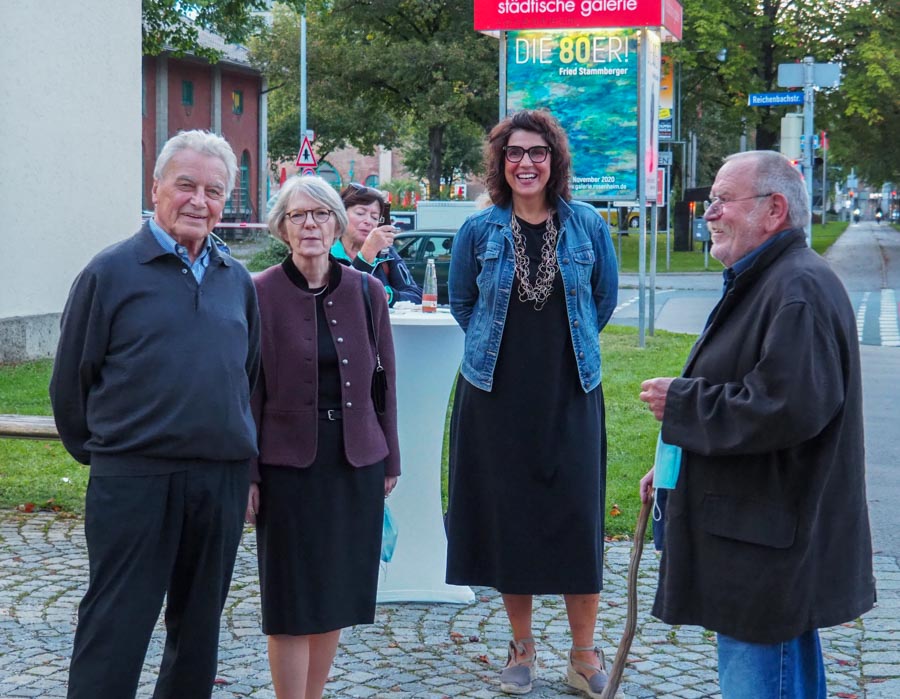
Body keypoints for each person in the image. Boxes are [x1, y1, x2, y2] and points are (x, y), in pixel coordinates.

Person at [638, 150, 876, 699]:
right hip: (761, 533)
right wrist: (675, 461)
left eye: (722, 200)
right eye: (710, 201)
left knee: (765, 675)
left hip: (768, 540)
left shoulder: (796, 288)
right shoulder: (772, 278)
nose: (709, 213)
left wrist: (682, 405)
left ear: (773, 211)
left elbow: (786, 408)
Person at [49, 130, 260, 698]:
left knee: (198, 632)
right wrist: (113, 454)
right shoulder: (111, 272)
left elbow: (248, 376)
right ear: (156, 187)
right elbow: (71, 383)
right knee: (116, 623)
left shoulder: (236, 282)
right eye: (185, 185)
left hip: (218, 479)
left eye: (213, 191)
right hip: (134, 477)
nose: (198, 201)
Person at [445, 109, 619, 698]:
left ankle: (584, 654)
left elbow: (603, 300)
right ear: (500, 162)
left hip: (570, 395)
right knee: (509, 522)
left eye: (537, 152)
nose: (526, 162)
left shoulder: (589, 225)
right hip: (495, 398)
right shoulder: (477, 231)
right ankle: (521, 646)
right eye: (514, 153)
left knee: (578, 520)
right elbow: (463, 303)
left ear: (554, 160)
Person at [245, 175, 400, 699]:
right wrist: (249, 473)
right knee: (290, 601)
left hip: (354, 462)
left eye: (320, 215)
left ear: (337, 223)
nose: (309, 224)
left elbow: (385, 382)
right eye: (298, 216)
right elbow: (249, 391)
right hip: (287, 466)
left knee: (334, 592)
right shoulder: (259, 292)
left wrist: (390, 459)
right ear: (282, 228)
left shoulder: (367, 290)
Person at [332, 183, 422, 306]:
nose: (368, 221)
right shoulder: (326, 253)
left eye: (374, 217)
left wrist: (387, 295)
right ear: (341, 215)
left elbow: (416, 295)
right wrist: (367, 253)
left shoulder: (385, 253)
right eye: (360, 213)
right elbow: (339, 296)